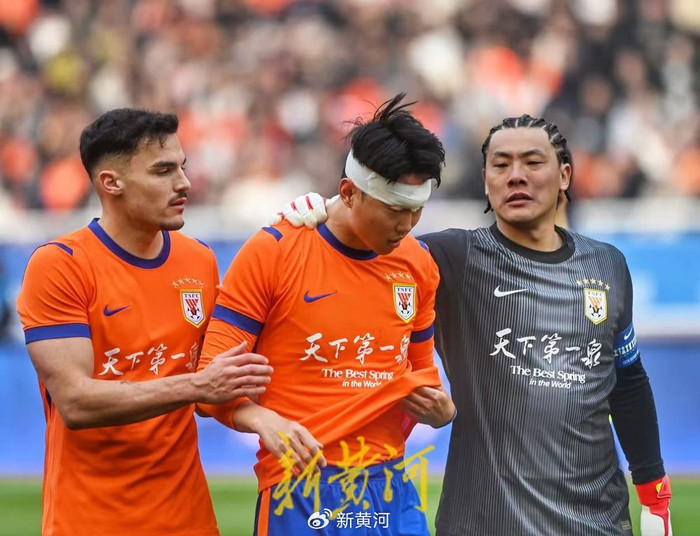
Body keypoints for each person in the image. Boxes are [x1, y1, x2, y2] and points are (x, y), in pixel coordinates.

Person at [278, 114, 672, 535]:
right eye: (501, 165)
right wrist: (327, 210)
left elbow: (628, 381)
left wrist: (654, 495)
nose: (515, 175)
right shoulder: (451, 258)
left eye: (532, 162)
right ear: (485, 181)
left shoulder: (607, 264)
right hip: (484, 521)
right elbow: (364, 237)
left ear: (564, 176)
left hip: (597, 522)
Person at [198, 94, 456, 536]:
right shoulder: (273, 252)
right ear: (349, 193)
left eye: (417, 211)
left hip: (390, 485)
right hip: (300, 485)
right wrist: (261, 418)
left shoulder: (417, 265)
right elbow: (209, 383)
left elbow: (421, 378)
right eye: (395, 210)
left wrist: (441, 410)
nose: (407, 225)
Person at [16, 109, 274, 536]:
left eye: (183, 167)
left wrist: (262, 418)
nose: (184, 183)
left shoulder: (198, 259)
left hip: (189, 521)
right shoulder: (60, 266)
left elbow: (215, 391)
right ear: (111, 183)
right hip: (89, 522)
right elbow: (76, 402)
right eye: (163, 171)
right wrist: (197, 385)